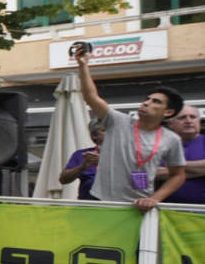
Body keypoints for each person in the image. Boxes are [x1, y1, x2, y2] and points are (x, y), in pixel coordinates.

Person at [75, 49, 185, 209]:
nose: (147, 103)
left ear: (168, 112)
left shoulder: (171, 139)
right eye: (147, 99)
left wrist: (154, 198)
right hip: (100, 200)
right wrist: (83, 65)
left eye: (156, 102)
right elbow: (91, 97)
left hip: (138, 206)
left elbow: (178, 175)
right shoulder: (118, 121)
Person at [162, 104, 204, 204]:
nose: (189, 121)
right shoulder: (161, 145)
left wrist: (175, 166)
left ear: (199, 121)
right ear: (170, 123)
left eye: (193, 117)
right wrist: (200, 170)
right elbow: (155, 173)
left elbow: (164, 171)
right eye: (182, 117)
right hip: (169, 211)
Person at [59, 117, 105, 200]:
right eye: (105, 130)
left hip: (116, 206)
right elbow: (63, 179)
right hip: (87, 208)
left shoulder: (123, 153)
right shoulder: (83, 155)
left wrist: (104, 163)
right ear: (94, 135)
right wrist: (83, 166)